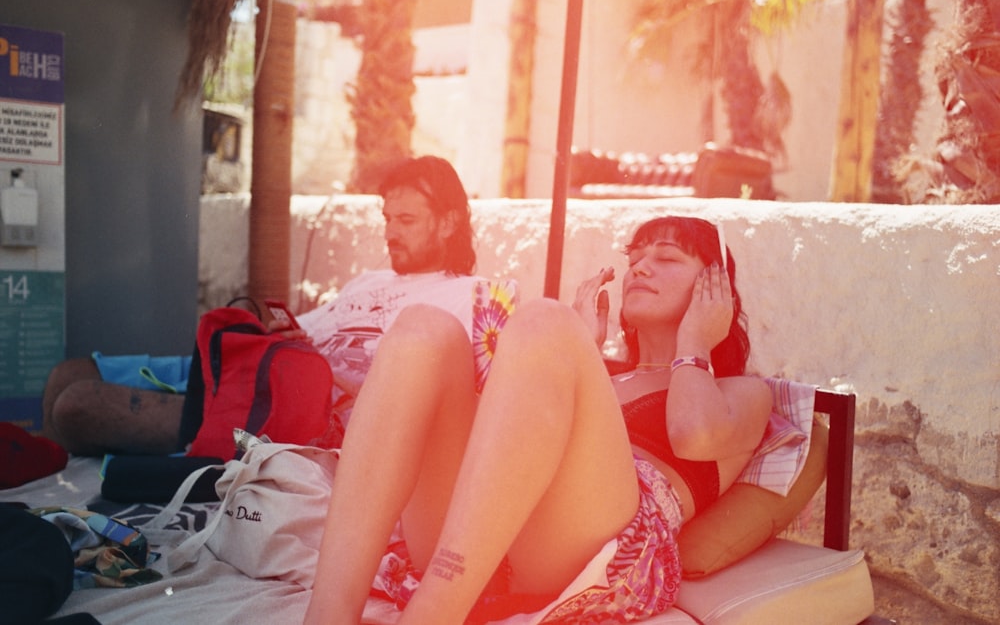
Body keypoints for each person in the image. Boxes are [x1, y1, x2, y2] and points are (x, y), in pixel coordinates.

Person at [303, 215, 773, 625]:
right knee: (421, 328)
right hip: (481, 540)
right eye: (635, 259)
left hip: (591, 554)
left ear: (716, 290)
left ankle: (431, 618)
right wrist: (576, 350)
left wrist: (695, 340)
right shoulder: (600, 370)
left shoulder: (741, 391)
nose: (641, 268)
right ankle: (327, 617)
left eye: (667, 258)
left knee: (543, 318)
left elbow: (693, 435)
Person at [41, 156, 517, 457]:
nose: (390, 232)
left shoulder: (475, 300)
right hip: (254, 364)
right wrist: (281, 332)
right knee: (67, 373)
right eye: (387, 218)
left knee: (74, 405)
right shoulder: (370, 280)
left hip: (281, 405)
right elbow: (308, 327)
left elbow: (513, 378)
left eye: (407, 220)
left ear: (450, 222)